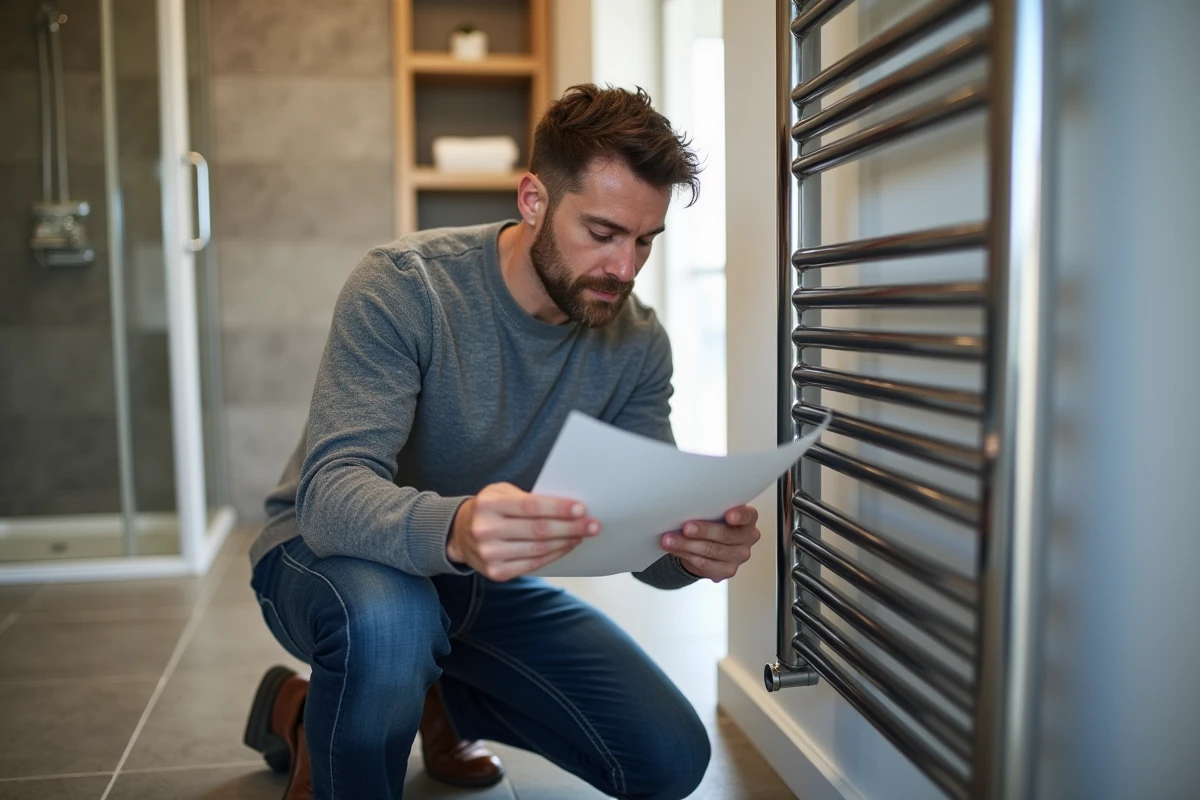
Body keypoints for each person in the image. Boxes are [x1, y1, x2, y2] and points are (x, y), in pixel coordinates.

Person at [242, 84, 763, 800]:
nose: (626, 267)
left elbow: (645, 537)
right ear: (533, 200)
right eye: (604, 233)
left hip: (475, 577)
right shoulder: (404, 287)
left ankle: (413, 702)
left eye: (645, 240)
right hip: (327, 553)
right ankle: (337, 716)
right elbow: (329, 498)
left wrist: (691, 549)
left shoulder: (638, 344)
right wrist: (456, 527)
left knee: (667, 758)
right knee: (392, 627)